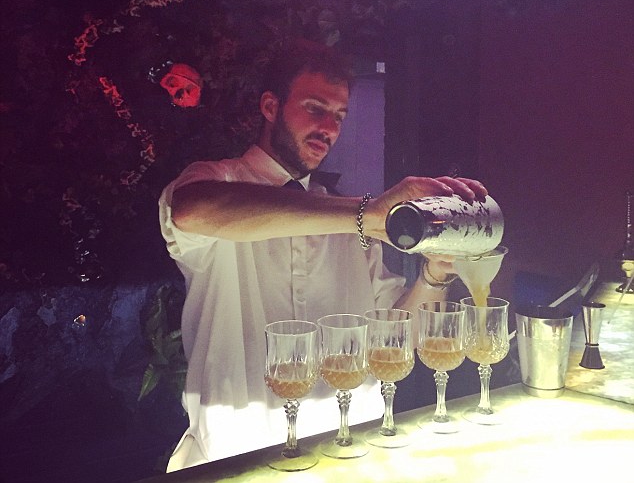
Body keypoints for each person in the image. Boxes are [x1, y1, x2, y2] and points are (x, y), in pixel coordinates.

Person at [158, 40, 487, 470]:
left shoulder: (349, 217)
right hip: (235, 458)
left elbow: (395, 335)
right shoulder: (216, 180)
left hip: (352, 453)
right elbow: (190, 211)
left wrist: (435, 274)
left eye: (339, 116)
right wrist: (366, 214)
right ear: (271, 106)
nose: (328, 128)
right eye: (315, 108)